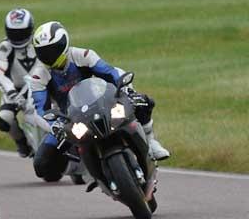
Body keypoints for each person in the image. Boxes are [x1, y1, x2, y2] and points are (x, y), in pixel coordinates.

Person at [25, 21, 170, 182]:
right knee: (42, 165)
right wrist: (55, 126)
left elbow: (111, 73)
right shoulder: (38, 75)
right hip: (69, 119)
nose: (49, 56)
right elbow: (40, 110)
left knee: (144, 102)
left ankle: (151, 142)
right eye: (43, 52)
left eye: (52, 50)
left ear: (63, 44)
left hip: (102, 104)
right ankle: (78, 167)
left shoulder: (83, 55)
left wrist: (128, 91)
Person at [0, 8, 41, 157]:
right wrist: (14, 94)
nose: (18, 36)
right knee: (4, 119)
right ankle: (21, 142)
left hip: (40, 84)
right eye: (14, 33)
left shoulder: (39, 41)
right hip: (14, 89)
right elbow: (0, 76)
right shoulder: (4, 48)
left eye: (22, 32)